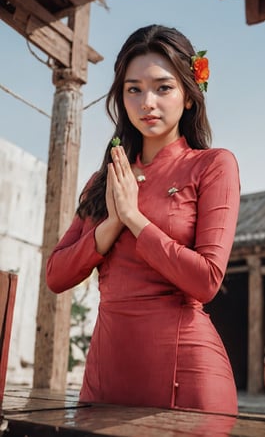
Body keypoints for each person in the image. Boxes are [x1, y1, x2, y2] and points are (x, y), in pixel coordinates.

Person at [47, 24, 240, 415]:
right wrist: (111, 223)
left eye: (163, 87)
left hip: (186, 375)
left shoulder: (213, 166)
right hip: (106, 375)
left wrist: (134, 219)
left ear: (189, 95)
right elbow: (56, 275)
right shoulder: (104, 181)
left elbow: (206, 280)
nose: (146, 101)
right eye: (133, 88)